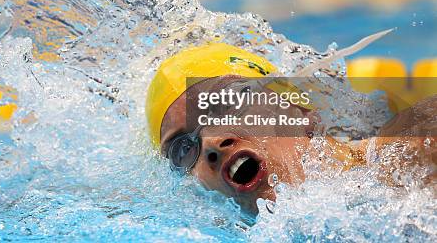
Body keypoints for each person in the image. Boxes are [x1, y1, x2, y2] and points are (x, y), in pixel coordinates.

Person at [145, 43, 436, 214]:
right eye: (182, 149)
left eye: (228, 102)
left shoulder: (415, 150)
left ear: (297, 106)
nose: (211, 144)